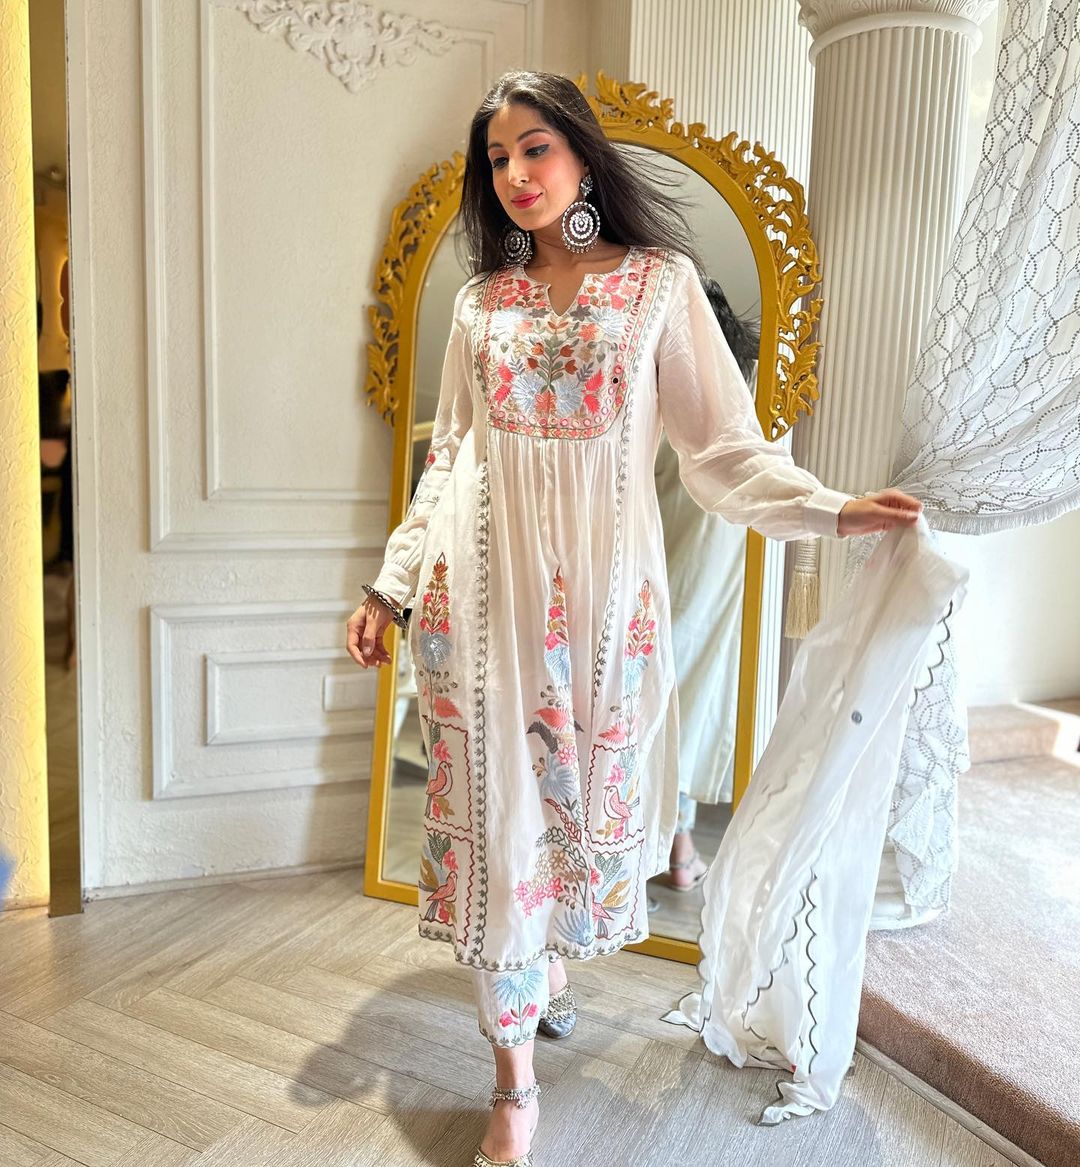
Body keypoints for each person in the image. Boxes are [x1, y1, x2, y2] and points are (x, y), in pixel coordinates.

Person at [347, 70, 922, 1167]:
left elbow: (724, 453)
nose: (516, 174)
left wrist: (833, 508)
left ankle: (548, 966)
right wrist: (391, 585)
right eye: (498, 158)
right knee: (497, 832)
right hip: (480, 611)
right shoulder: (481, 306)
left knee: (574, 827)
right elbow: (450, 457)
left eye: (535, 148)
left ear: (580, 155)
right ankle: (513, 1084)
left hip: (605, 623)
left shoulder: (659, 287)